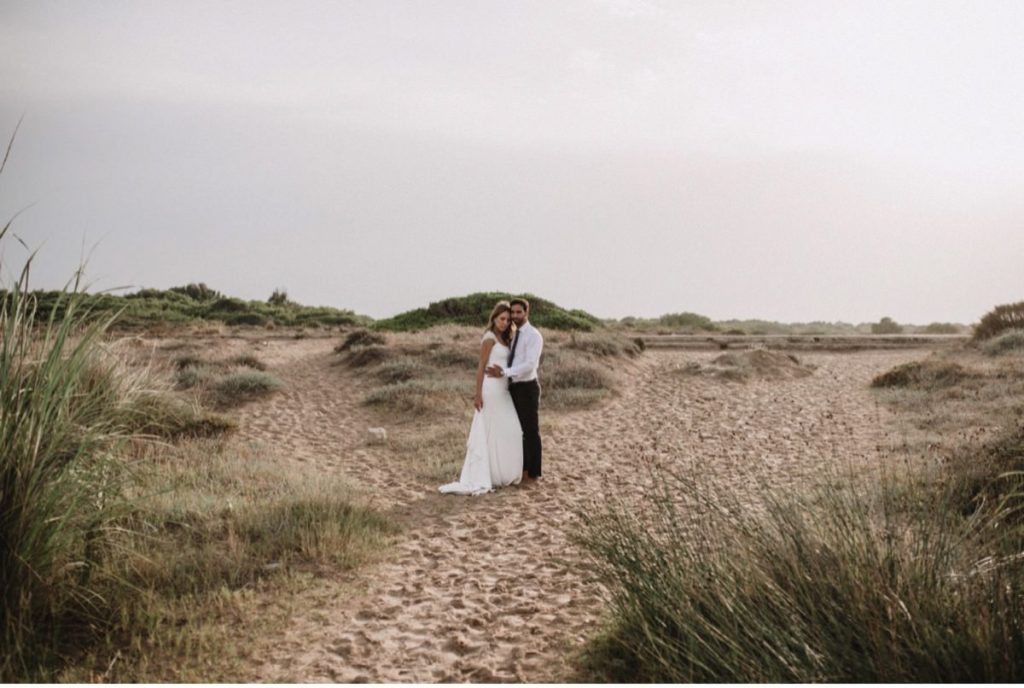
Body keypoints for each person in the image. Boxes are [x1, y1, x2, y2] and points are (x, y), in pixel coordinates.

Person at [439, 301, 524, 495]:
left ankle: (501, 474)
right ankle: (489, 476)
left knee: (511, 431)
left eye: (507, 320)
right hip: (490, 390)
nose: (504, 323)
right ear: (494, 318)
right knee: (491, 430)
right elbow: (480, 367)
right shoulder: (489, 338)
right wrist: (477, 394)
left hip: (503, 390)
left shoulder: (506, 339)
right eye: (501, 319)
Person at [486, 297, 543, 484]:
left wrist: (504, 372)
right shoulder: (513, 334)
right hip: (513, 388)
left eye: (519, 312)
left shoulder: (533, 335)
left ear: (526, 313)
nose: (515, 316)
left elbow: (529, 364)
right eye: (513, 313)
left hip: (527, 387)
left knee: (530, 430)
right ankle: (522, 469)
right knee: (517, 430)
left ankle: (533, 473)